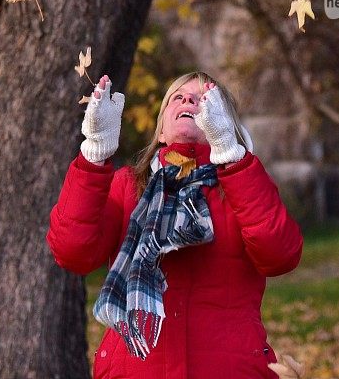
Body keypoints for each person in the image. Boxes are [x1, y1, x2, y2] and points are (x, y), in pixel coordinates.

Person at [46, 71, 304, 379]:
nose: (187, 100)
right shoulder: (127, 186)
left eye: (202, 98)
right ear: (161, 134)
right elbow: (72, 251)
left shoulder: (243, 185)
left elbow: (281, 255)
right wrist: (95, 154)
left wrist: (232, 157)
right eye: (177, 97)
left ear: (224, 122)